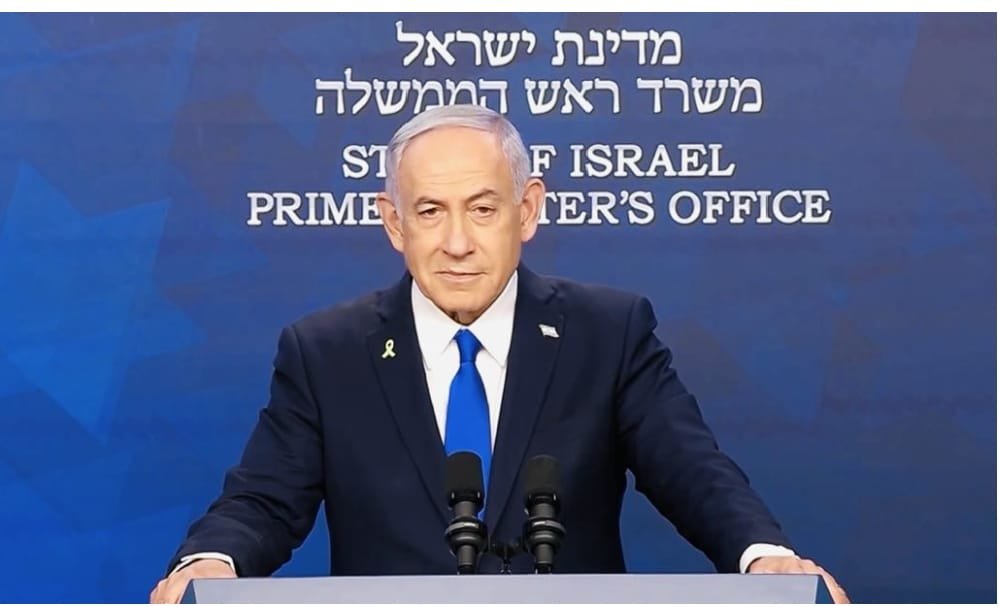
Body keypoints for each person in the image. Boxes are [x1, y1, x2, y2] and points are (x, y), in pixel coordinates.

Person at [150, 104, 848, 603]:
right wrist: (211, 562)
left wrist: (763, 556)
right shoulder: (326, 352)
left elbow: (692, 471)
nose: (457, 242)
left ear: (528, 209)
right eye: (430, 211)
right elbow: (263, 500)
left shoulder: (607, 333)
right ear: (393, 222)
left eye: (482, 209)